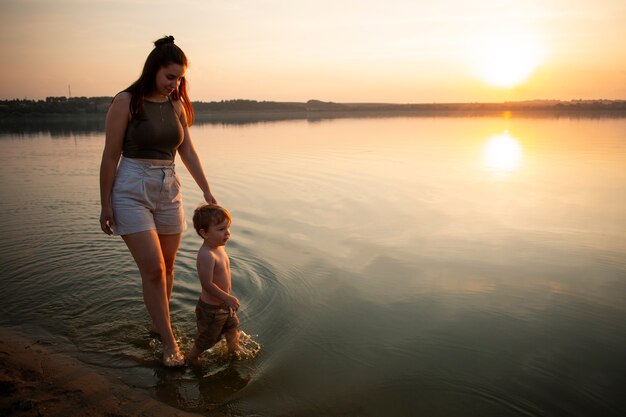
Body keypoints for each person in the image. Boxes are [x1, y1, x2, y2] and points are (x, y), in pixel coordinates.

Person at [99, 35, 216, 367]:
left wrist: (206, 189)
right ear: (153, 70)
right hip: (131, 188)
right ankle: (168, 342)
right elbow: (110, 157)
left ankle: (156, 325)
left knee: (167, 269)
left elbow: (187, 150)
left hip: (169, 188)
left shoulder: (176, 105)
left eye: (179, 77)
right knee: (152, 270)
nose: (174, 83)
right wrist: (105, 203)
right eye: (169, 76)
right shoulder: (126, 102)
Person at [186, 204, 241, 362]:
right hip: (211, 310)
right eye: (221, 229)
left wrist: (227, 300)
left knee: (232, 329)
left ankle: (234, 352)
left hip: (225, 305)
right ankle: (188, 360)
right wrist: (227, 297)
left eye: (227, 227)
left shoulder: (219, 248)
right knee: (206, 341)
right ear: (204, 233)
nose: (227, 233)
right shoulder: (207, 255)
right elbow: (207, 284)